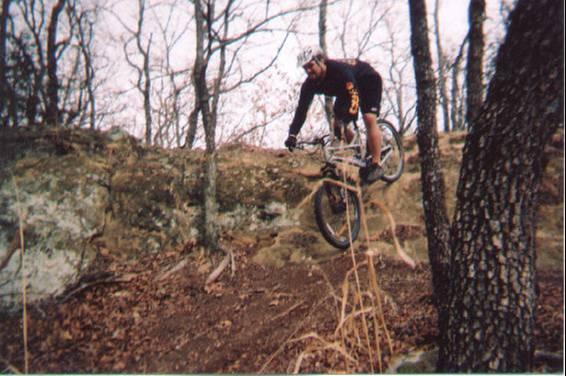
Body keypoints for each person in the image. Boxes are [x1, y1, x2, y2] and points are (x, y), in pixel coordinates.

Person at [284, 46, 384, 183]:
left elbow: (354, 96)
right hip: (345, 91)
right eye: (305, 68)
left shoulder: (339, 71)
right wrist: (292, 134)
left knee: (368, 117)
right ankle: (362, 152)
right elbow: (301, 110)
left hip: (367, 79)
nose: (308, 71)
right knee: (337, 127)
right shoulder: (309, 84)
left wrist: (350, 117)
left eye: (311, 66)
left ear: (321, 61)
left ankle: (376, 163)